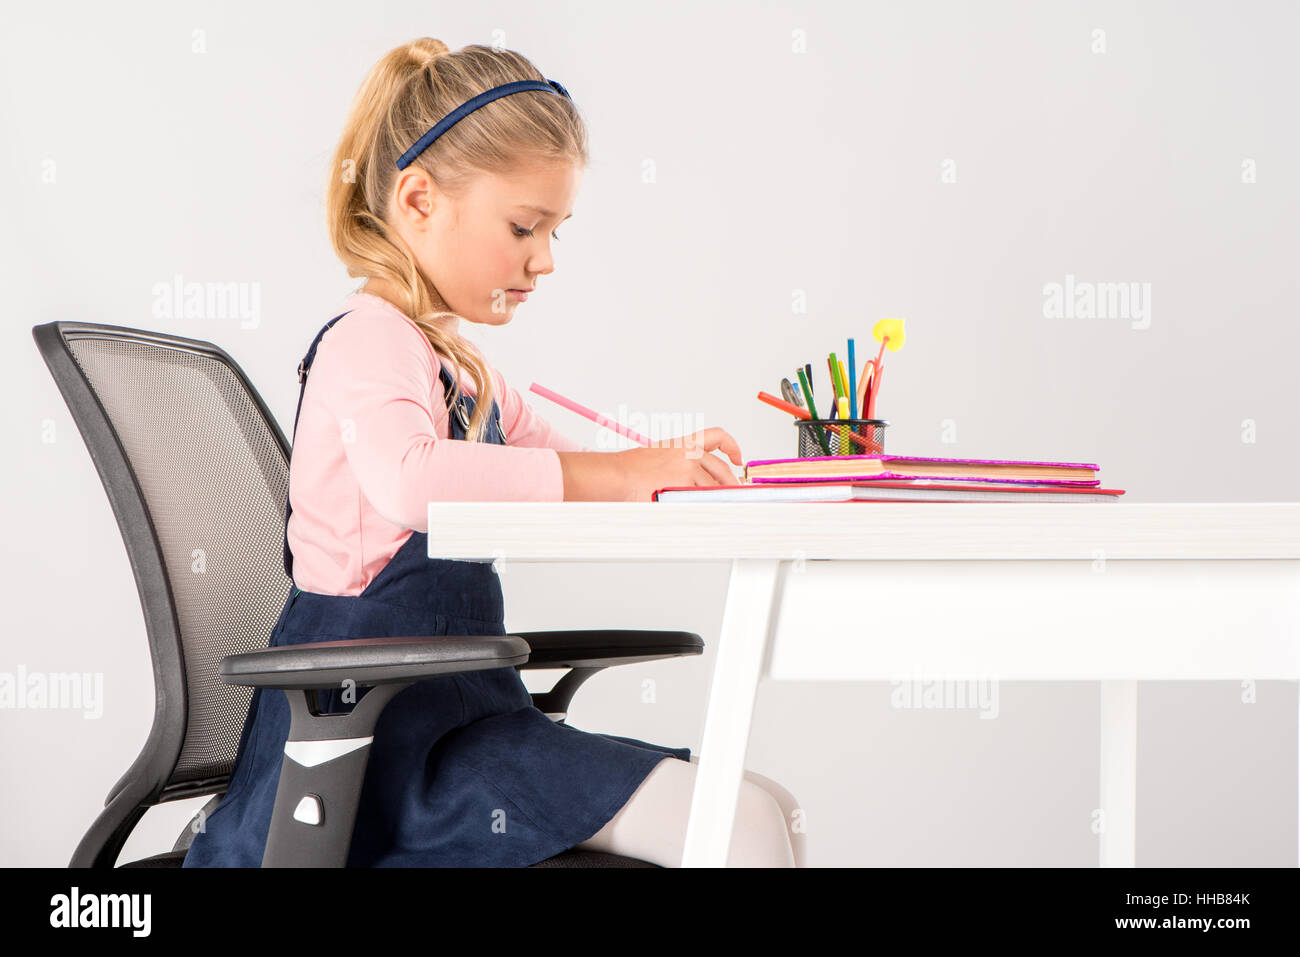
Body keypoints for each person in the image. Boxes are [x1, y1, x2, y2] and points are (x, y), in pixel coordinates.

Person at [183, 37, 804, 868]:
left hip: (467, 729)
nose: (544, 260)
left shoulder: (463, 369)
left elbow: (565, 467)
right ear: (418, 200)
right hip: (373, 765)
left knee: (771, 809)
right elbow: (411, 480)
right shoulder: (369, 340)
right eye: (524, 227)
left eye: (555, 230)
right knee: (745, 825)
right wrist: (618, 474)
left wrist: (660, 466)